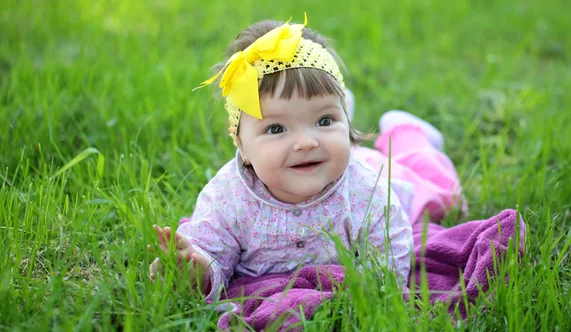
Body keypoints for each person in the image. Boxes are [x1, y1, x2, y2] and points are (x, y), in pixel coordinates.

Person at [148, 15, 463, 301]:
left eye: (324, 121)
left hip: (383, 171)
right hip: (334, 155)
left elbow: (390, 247)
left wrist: (378, 293)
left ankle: (408, 133)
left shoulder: (368, 189)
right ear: (241, 145)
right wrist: (197, 270)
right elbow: (211, 251)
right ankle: (331, 109)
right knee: (323, 135)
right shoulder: (227, 198)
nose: (305, 142)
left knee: (437, 194)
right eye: (276, 128)